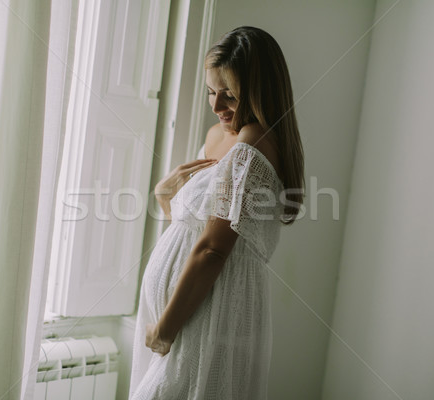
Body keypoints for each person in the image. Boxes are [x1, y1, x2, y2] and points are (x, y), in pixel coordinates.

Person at [128, 26, 305, 399]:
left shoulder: (251, 145)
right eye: (211, 91)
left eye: (230, 95)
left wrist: (165, 328)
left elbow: (213, 249)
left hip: (209, 315)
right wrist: (165, 196)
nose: (216, 105)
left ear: (260, 93)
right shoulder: (218, 136)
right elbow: (193, 228)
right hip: (188, 311)